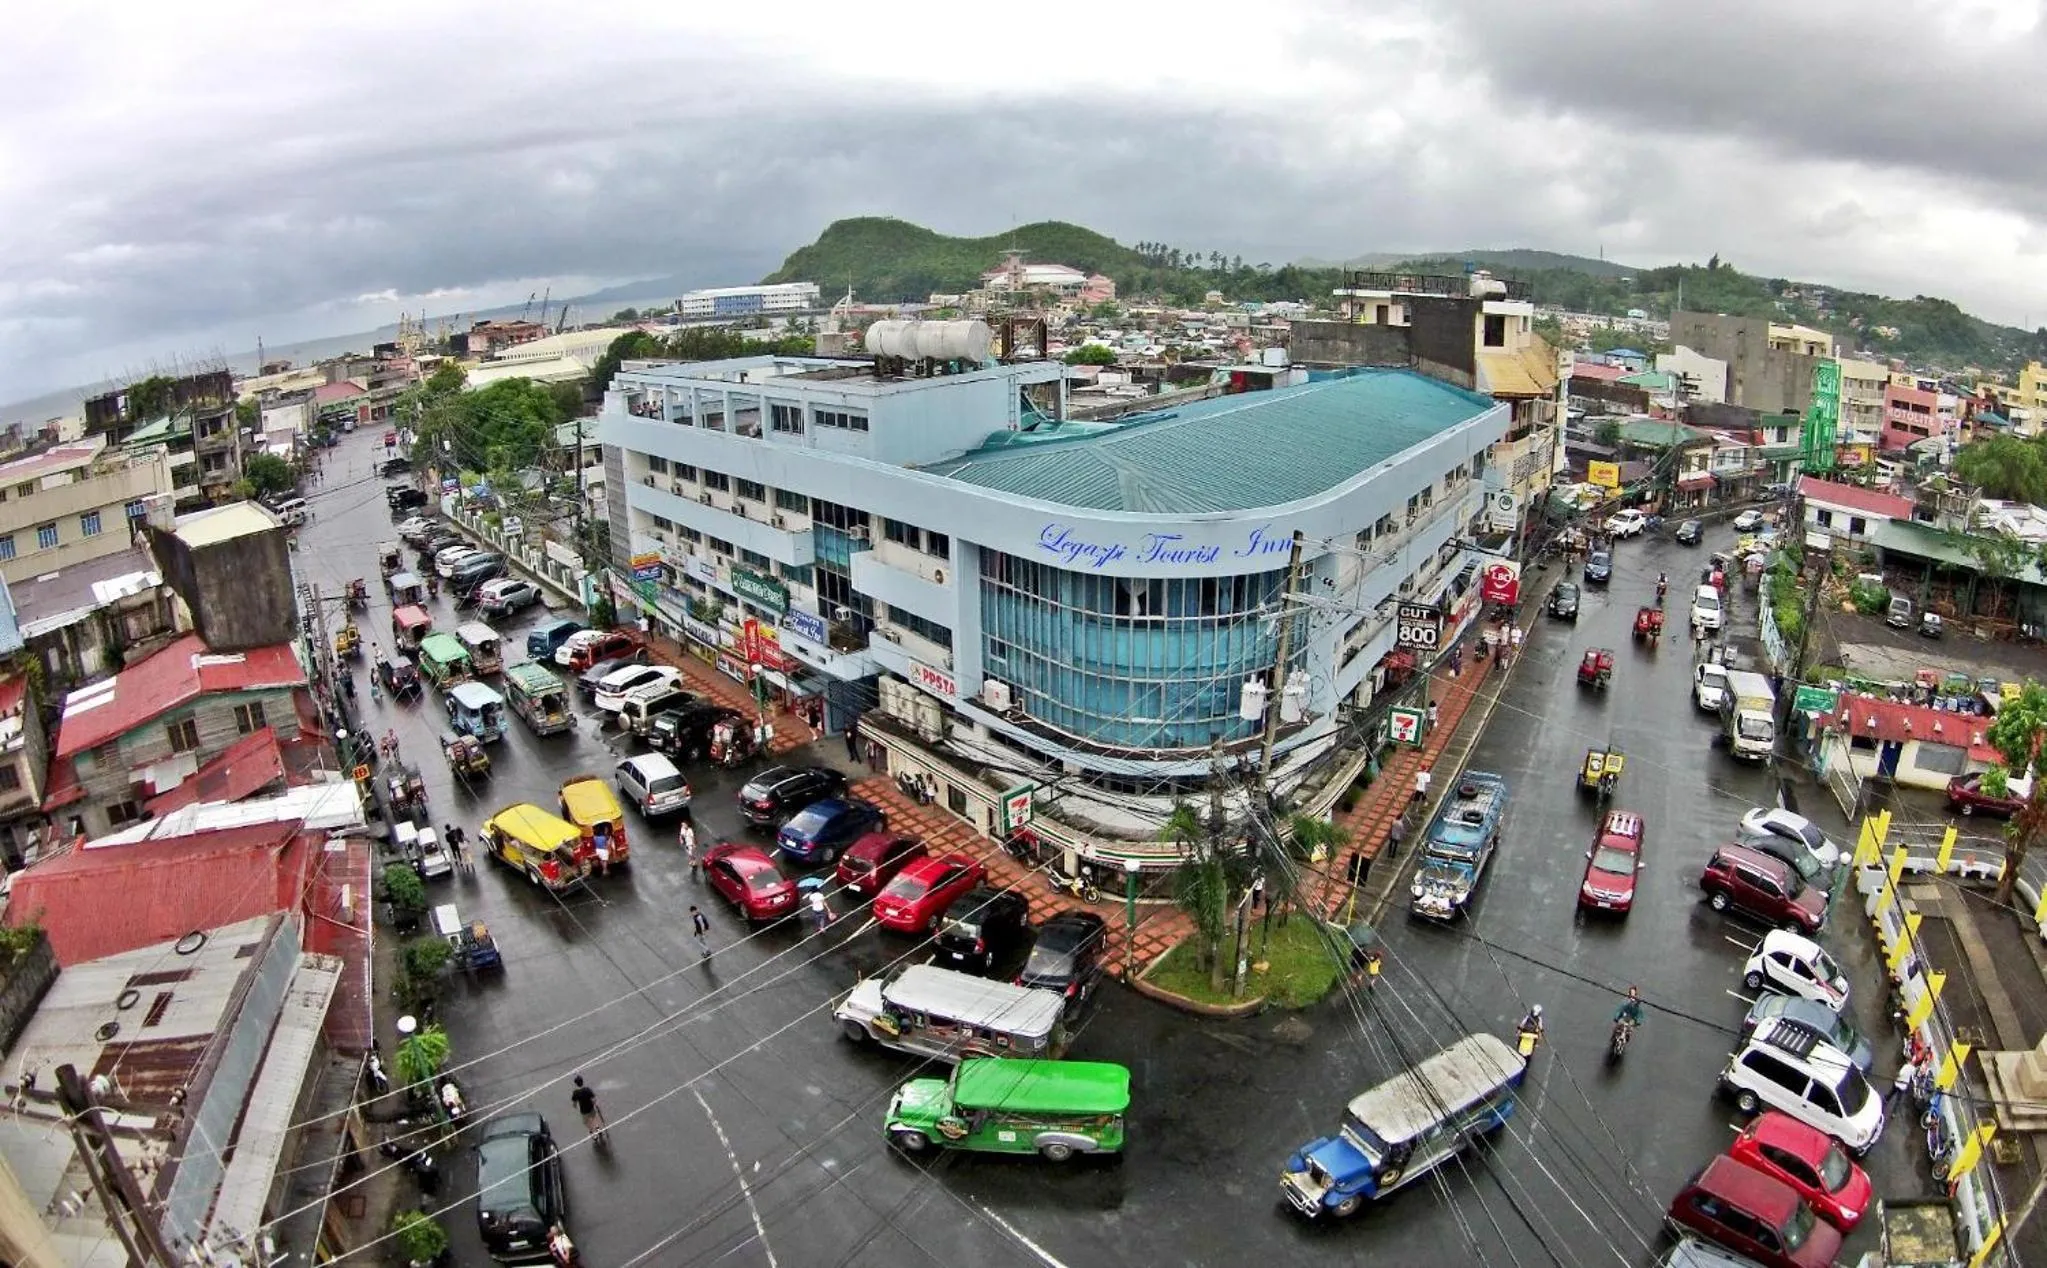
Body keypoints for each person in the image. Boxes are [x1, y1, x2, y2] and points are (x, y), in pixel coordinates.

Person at [570, 1075, 607, 1141]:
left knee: (587, 1122)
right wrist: (595, 1104)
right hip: (591, 1108)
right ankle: (597, 1128)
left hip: (583, 1111)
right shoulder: (587, 1089)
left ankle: (593, 1133)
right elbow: (593, 1099)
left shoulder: (575, 1093)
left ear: (576, 1084)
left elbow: (574, 1104)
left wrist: (575, 1106)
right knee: (594, 1118)